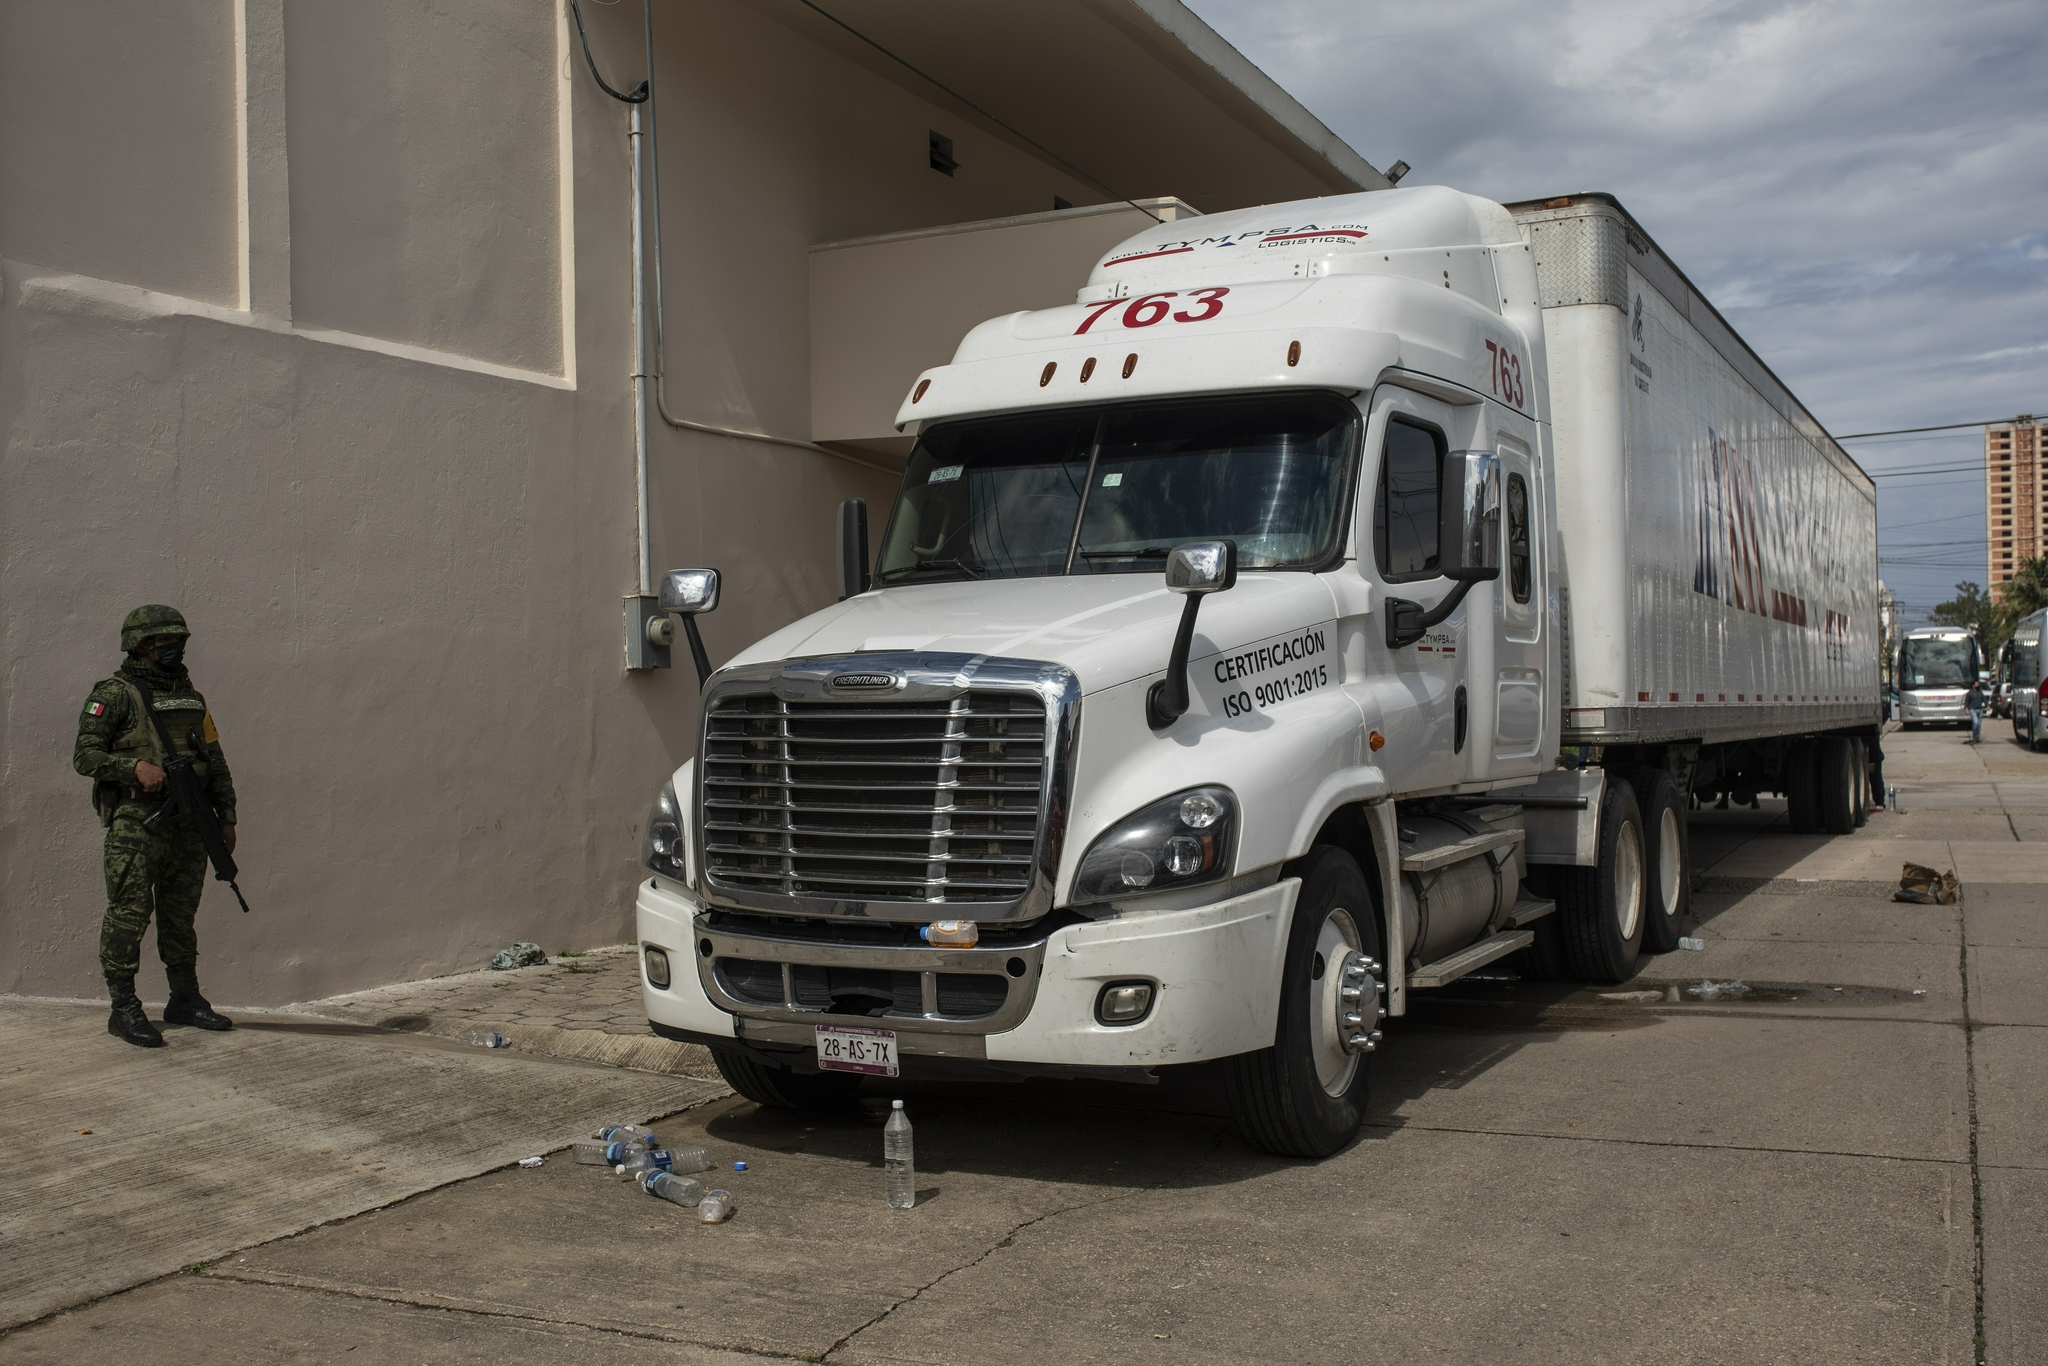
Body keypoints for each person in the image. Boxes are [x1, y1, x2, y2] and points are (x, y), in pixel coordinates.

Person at [72, 605, 238, 1047]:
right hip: (138, 822)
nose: (175, 648)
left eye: (179, 640)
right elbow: (85, 756)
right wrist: (133, 768)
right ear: (141, 645)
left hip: (191, 822)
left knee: (180, 914)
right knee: (129, 914)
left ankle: (184, 997)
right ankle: (124, 1008)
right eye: (165, 641)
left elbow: (215, 761)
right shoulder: (115, 693)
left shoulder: (192, 697)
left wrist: (227, 817)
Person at [1965, 679, 1987, 744]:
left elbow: (1984, 699)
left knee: (1979, 724)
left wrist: (1987, 705)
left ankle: (1977, 737)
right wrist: (1967, 709)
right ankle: (1974, 737)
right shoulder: (1970, 693)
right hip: (1972, 710)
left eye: (1978, 684)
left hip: (1980, 709)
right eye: (1977, 684)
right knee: (1975, 723)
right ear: (1973, 685)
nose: (1978, 685)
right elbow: (1967, 702)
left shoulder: (1980, 692)